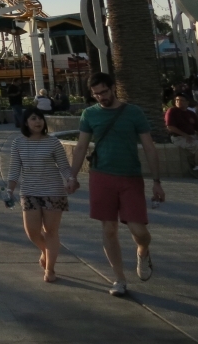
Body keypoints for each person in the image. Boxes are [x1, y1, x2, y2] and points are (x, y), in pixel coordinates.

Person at [67, 73, 166, 297]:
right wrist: (72, 176)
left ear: (113, 88)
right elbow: (81, 147)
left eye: (104, 92)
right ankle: (119, 279)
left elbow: (149, 147)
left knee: (138, 230)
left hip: (130, 177)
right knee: (109, 229)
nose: (101, 97)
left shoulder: (134, 112)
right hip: (101, 176)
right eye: (96, 94)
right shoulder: (90, 114)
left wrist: (157, 182)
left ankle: (143, 252)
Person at [6, 108, 75, 283]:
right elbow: (14, 169)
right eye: (33, 119)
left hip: (53, 192)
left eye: (40, 119)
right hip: (29, 192)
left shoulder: (53, 143)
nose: (38, 122)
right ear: (26, 122)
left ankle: (50, 269)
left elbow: (64, 167)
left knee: (51, 232)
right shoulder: (18, 143)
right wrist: (9, 189)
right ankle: (46, 250)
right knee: (32, 232)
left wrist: (70, 179)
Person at [165, 91, 198, 177]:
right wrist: (185, 135)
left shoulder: (191, 114)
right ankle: (195, 168)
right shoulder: (172, 111)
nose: (179, 102)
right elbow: (170, 127)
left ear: (187, 102)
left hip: (192, 136)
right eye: (177, 100)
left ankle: (194, 161)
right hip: (179, 137)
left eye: (182, 100)